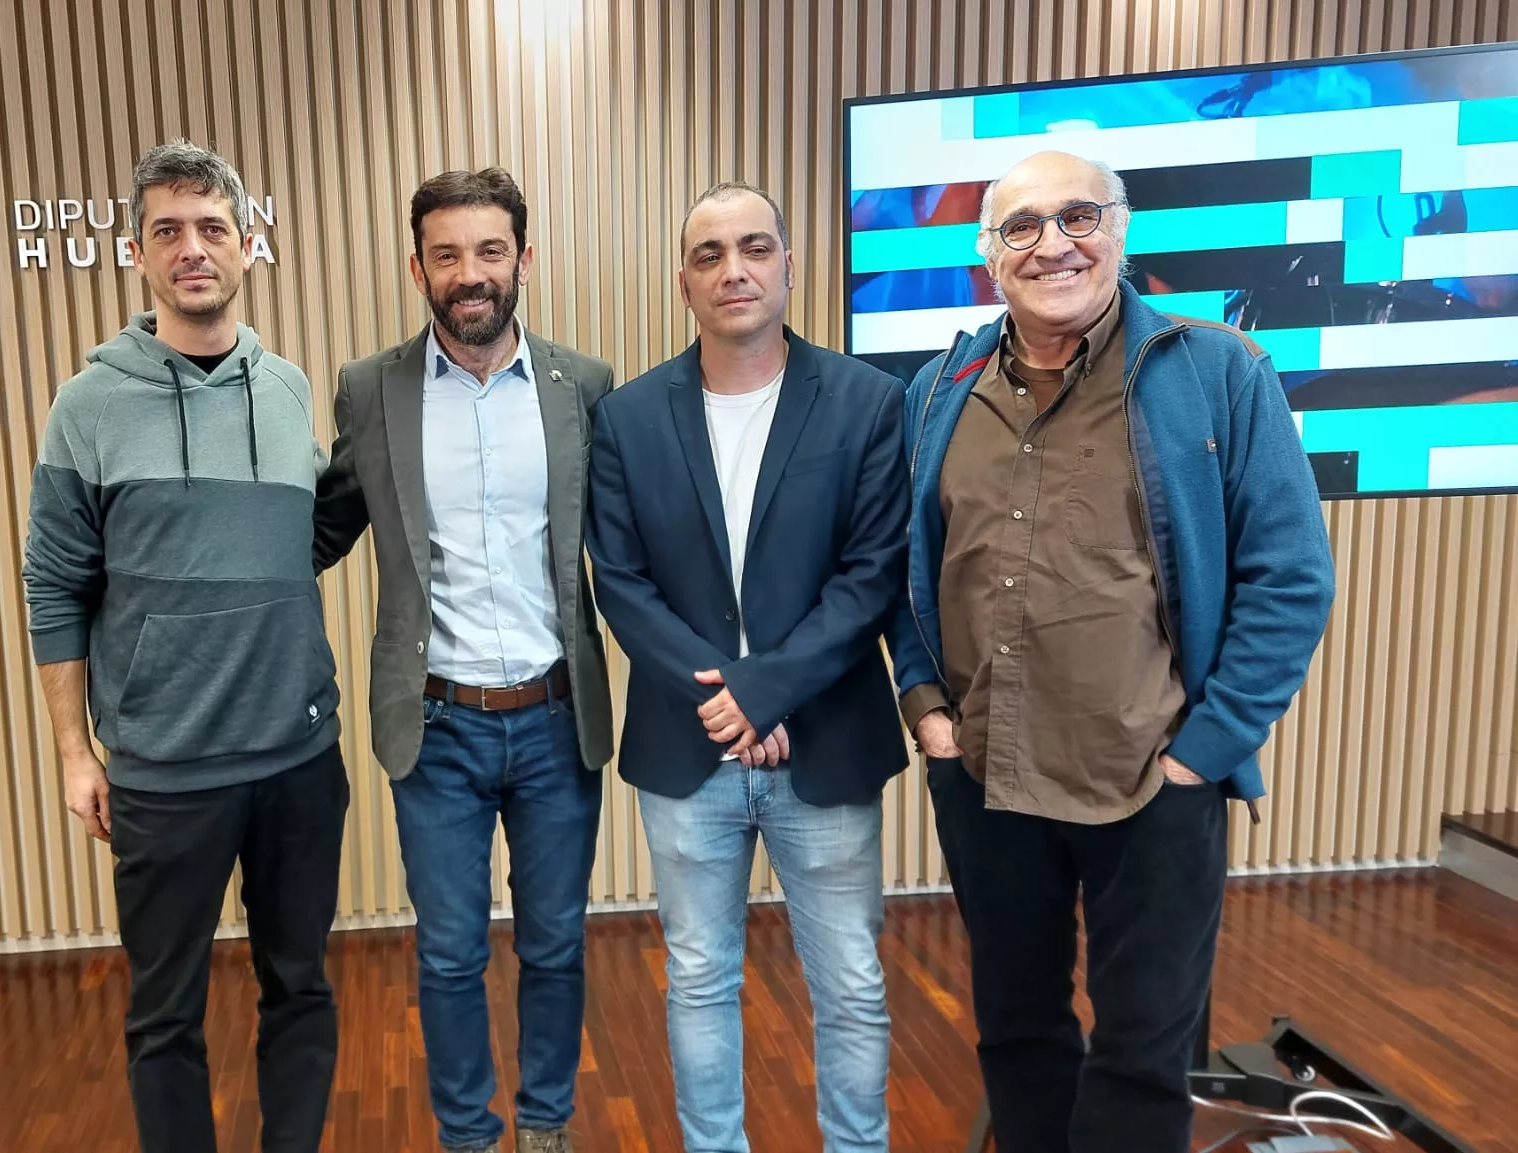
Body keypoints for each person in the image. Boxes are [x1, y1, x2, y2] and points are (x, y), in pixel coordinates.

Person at [891, 149, 1336, 1153]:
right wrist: (927, 711)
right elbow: (905, 568)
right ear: (988, 254)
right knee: (1016, 1031)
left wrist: (1202, 753)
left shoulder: (1217, 371)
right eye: (1021, 227)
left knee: (1143, 1053)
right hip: (988, 775)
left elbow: (1291, 576)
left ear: (1120, 230)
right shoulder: (937, 389)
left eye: (1077, 217)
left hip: (1153, 782)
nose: (1052, 244)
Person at [22, 140, 349, 1153]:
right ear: (137, 252)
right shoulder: (87, 406)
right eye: (167, 230)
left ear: (248, 243)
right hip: (163, 773)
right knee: (164, 1015)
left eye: (212, 227)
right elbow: (54, 583)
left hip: (298, 759)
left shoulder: (287, 389)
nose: (192, 248)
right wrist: (75, 752)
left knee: (300, 986)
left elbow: (295, 541)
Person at [584, 181, 909, 1153]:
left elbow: (870, 573)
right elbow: (622, 583)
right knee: (697, 979)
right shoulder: (627, 417)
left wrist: (766, 691)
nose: (734, 269)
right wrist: (730, 701)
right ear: (683, 281)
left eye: (755, 248)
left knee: (850, 982)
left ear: (788, 266)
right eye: (709, 254)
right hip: (688, 751)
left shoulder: (866, 402)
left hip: (825, 741)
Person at [311, 167, 615, 1153]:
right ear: (418, 270)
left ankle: (544, 1126)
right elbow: (321, 526)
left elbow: (627, 542)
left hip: (555, 718)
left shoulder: (583, 387)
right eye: (445, 255)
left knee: (554, 944)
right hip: (435, 721)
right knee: (447, 954)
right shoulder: (371, 390)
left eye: (489, 250)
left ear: (524, 259)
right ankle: (467, 1137)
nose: (468, 273)